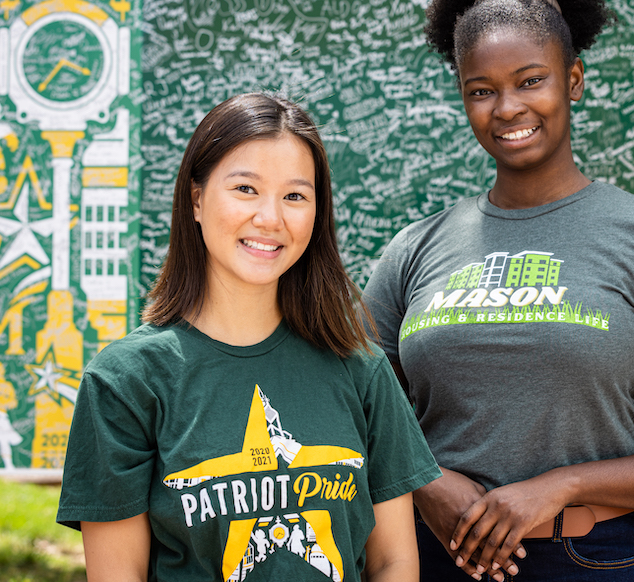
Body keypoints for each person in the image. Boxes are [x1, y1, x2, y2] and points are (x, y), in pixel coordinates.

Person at [361, 0, 634, 582]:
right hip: (431, 556)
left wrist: (559, 487)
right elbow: (357, 403)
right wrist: (425, 482)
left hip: (587, 558)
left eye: (530, 80)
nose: (506, 109)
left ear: (574, 80)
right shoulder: (415, 248)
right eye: (481, 91)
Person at [57, 92, 441, 582]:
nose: (270, 218)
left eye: (295, 196)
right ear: (196, 199)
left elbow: (393, 562)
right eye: (245, 189)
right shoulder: (125, 381)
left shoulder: (360, 368)